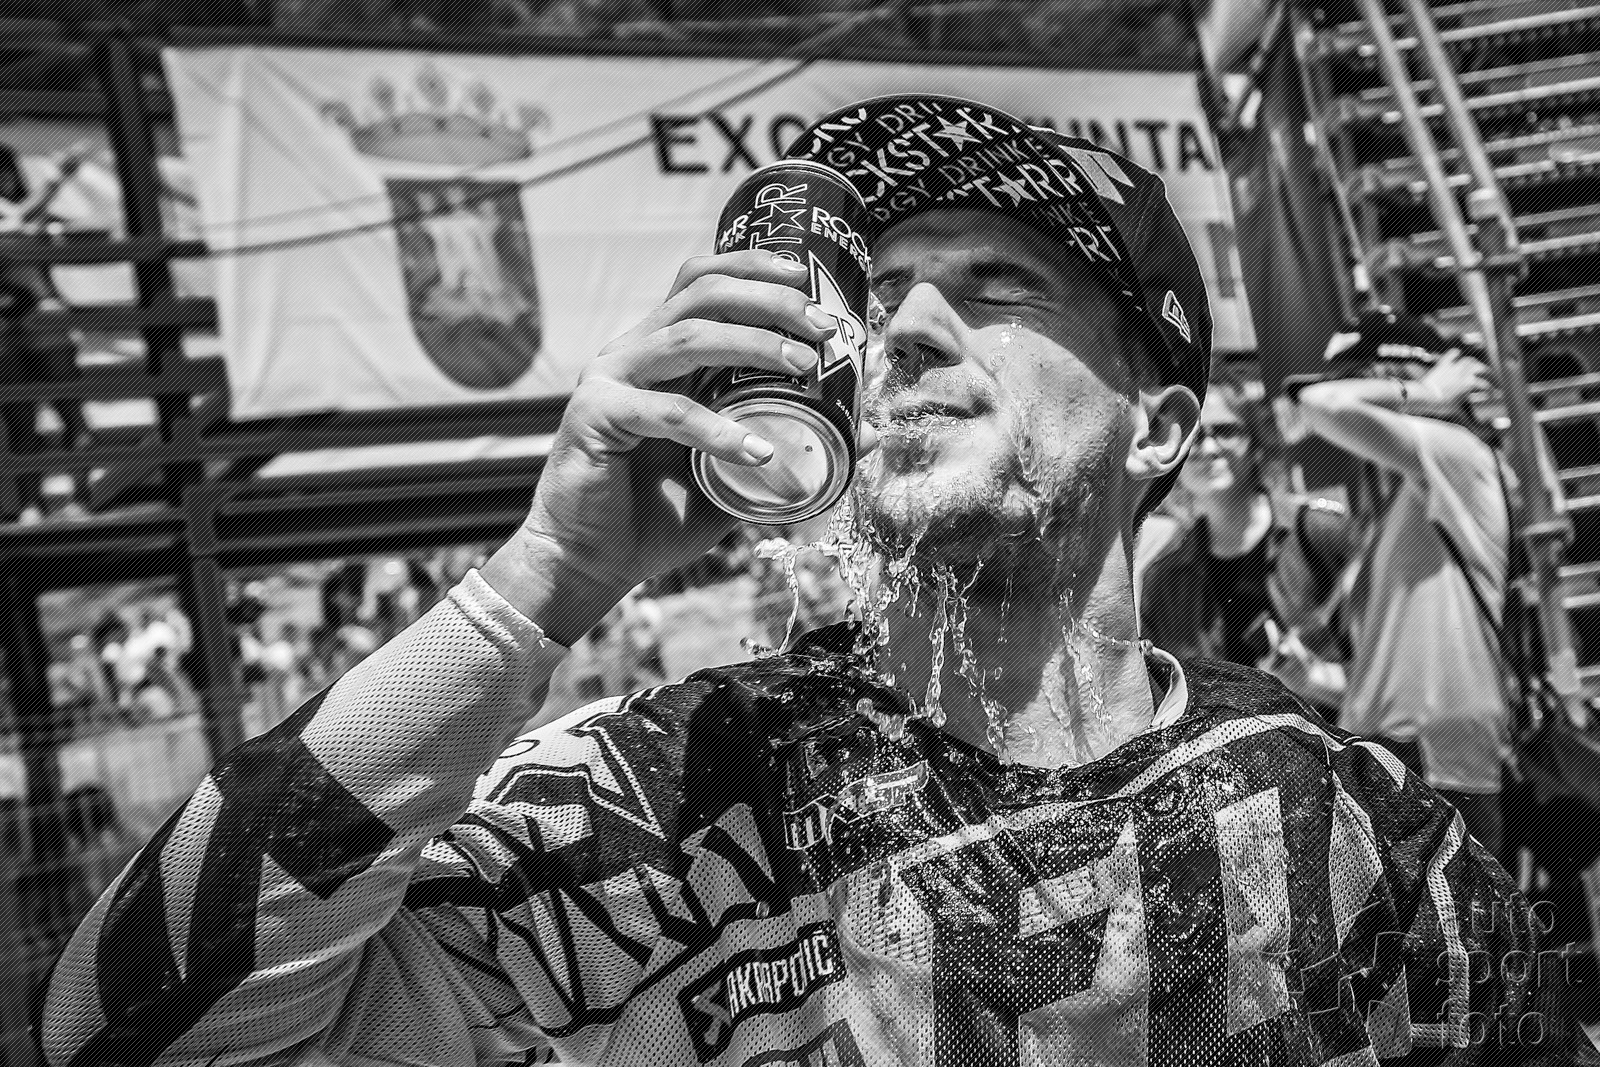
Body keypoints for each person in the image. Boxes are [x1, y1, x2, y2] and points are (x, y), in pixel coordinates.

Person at [41, 96, 1595, 1066]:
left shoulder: (1348, 805)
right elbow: (122, 1023)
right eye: (881, 290)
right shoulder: (671, 790)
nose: (905, 328)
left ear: (1164, 422)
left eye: (998, 285)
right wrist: (540, 583)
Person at [1284, 308, 1513, 863]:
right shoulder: (1398, 499)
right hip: (1388, 741)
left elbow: (1318, 404)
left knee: (1456, 918)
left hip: (1435, 746)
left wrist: (1425, 391)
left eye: (1362, 379)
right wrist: (1314, 680)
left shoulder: (1460, 456)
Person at [1139, 376, 1353, 713]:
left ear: (1255, 441)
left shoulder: (1318, 532)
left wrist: (1313, 679)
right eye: (1195, 437)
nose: (1209, 448)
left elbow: (1396, 681)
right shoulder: (1165, 579)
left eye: (1226, 431)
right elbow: (1161, 703)